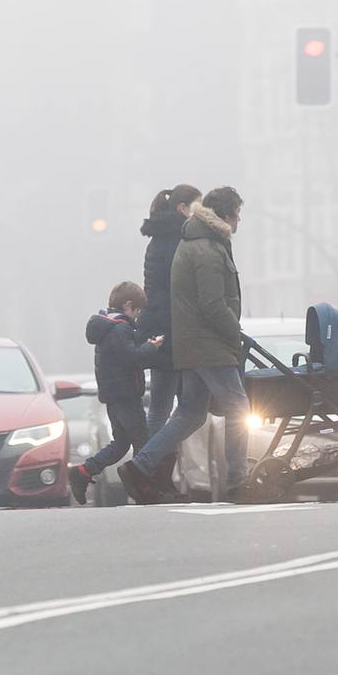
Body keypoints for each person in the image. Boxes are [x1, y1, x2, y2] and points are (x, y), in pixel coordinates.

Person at [120, 186, 247, 504]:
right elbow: (213, 303)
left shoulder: (194, 240)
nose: (240, 220)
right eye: (238, 213)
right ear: (227, 214)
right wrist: (236, 332)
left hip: (192, 342)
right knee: (238, 407)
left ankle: (141, 467)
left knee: (191, 412)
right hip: (208, 343)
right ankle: (238, 480)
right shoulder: (206, 248)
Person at [70, 282, 168, 503]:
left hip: (113, 396)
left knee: (121, 443)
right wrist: (152, 346)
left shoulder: (106, 327)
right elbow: (132, 358)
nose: (138, 316)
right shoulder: (120, 328)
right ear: (128, 305)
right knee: (142, 442)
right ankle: (144, 487)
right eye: (138, 311)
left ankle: (84, 472)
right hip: (126, 396)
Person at [137, 184, 200, 475]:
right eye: (197, 206)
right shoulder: (178, 239)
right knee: (184, 409)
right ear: (182, 208)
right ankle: (147, 467)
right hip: (173, 330)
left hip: (160, 328)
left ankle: (150, 470)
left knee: (162, 406)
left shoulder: (160, 238)